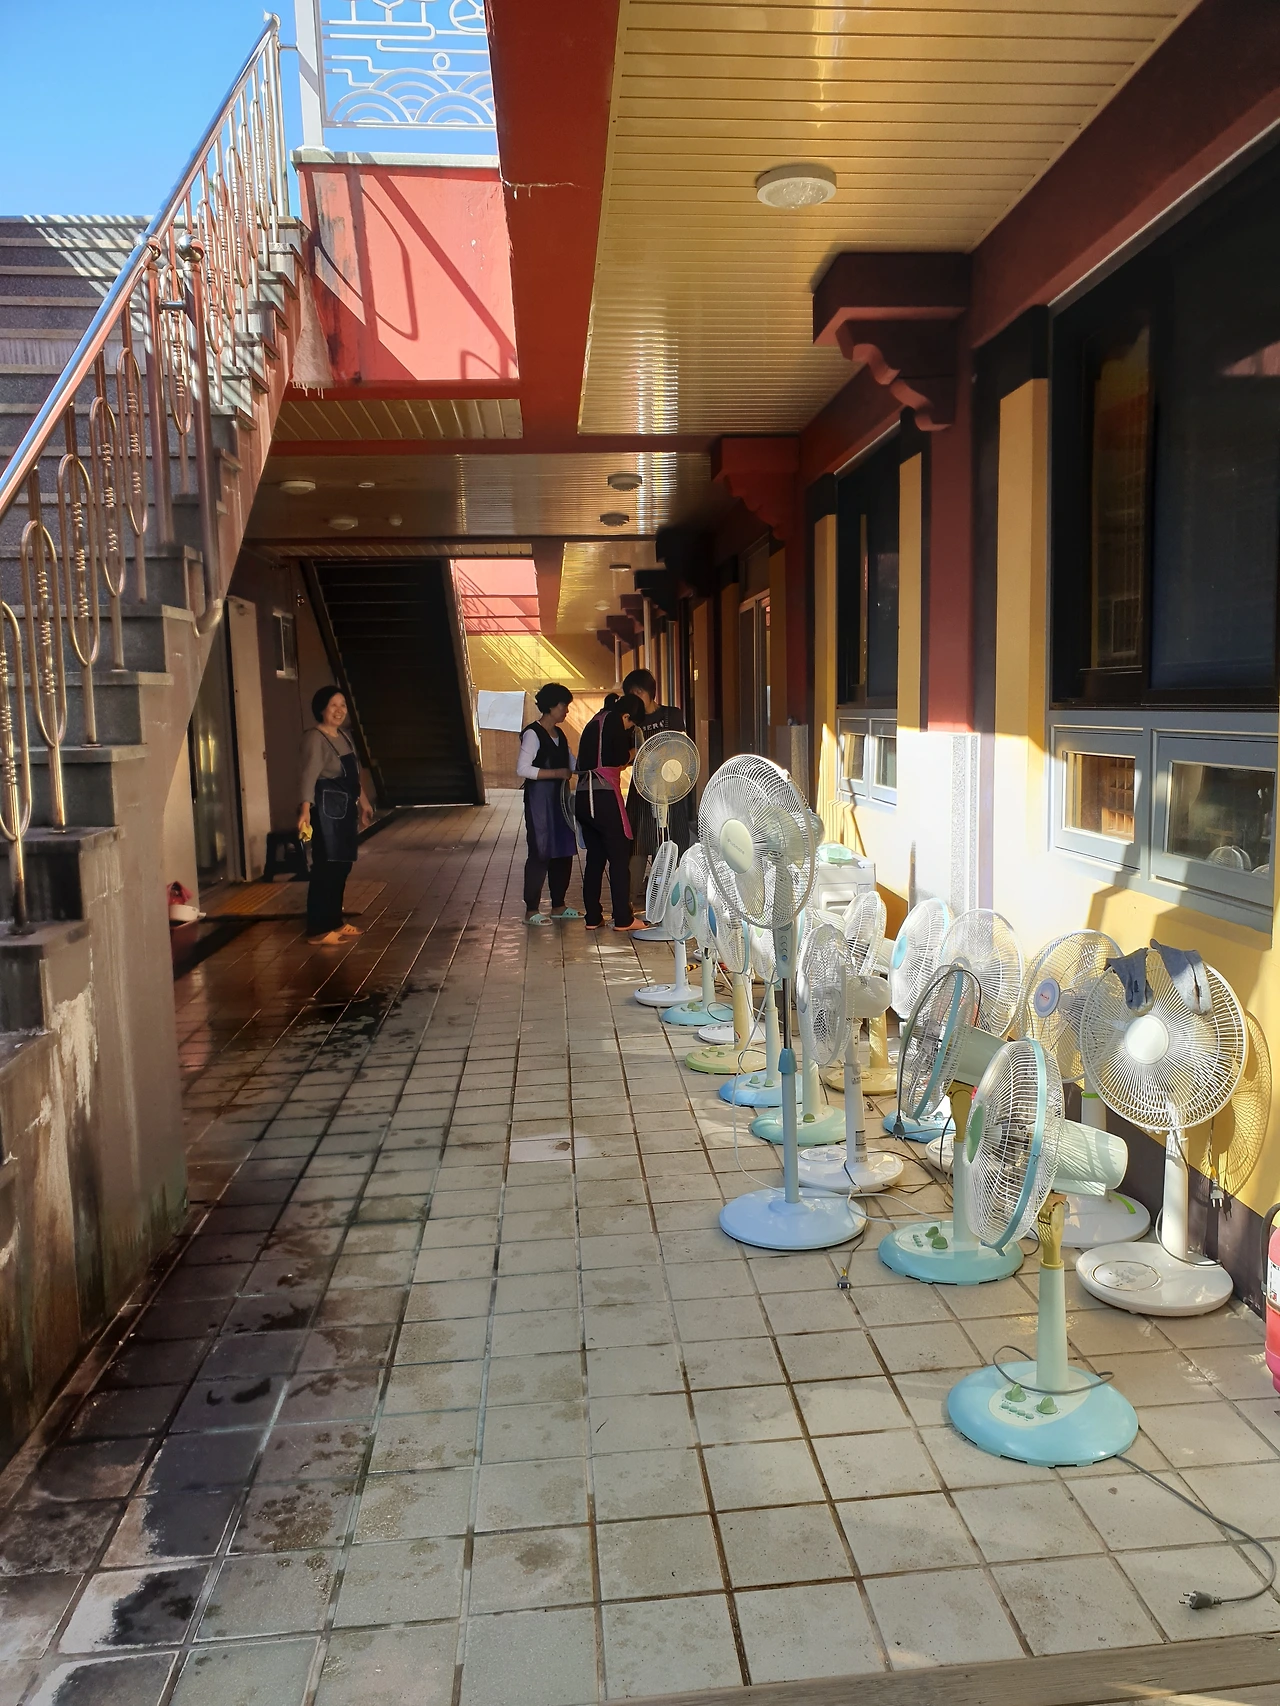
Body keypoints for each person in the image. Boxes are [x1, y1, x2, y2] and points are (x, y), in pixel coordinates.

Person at [298, 685, 374, 945]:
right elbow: (308, 776)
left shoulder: (344, 735)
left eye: (343, 705)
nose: (339, 710)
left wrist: (364, 803)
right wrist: (305, 810)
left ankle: (334, 921)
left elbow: (353, 778)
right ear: (321, 709)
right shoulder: (315, 738)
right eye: (333, 705)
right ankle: (318, 929)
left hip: (344, 809)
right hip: (324, 811)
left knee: (342, 865)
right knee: (326, 866)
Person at [622, 667, 695, 912]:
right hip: (642, 790)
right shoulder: (631, 720)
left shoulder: (671, 714)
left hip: (671, 788)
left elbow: (681, 747)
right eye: (630, 695)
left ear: (649, 692)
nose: (634, 699)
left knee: (673, 840)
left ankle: (675, 897)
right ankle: (628, 901)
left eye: (637, 693)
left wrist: (654, 754)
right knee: (638, 843)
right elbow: (626, 757)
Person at [575, 691, 645, 931]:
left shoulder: (596, 719)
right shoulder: (614, 720)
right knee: (619, 855)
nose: (629, 728)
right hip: (602, 796)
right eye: (631, 724)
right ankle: (623, 918)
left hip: (583, 795)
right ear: (626, 716)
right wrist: (634, 752)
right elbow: (618, 758)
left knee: (595, 858)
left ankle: (593, 917)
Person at [519, 683, 581, 925]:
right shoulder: (533, 734)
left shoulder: (560, 735)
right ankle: (531, 910)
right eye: (564, 706)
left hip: (560, 800)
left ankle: (558, 905)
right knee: (540, 851)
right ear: (552, 706)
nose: (566, 711)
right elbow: (523, 769)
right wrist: (556, 773)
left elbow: (573, 764)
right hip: (539, 801)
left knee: (563, 850)